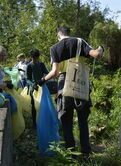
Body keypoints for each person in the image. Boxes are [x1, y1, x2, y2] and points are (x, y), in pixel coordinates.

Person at [38, 25, 104, 156]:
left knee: (67, 122)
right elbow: (96, 55)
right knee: (82, 121)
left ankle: (71, 154)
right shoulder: (79, 41)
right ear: (69, 33)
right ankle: (86, 153)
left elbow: (55, 72)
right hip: (80, 83)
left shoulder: (54, 48)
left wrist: (42, 80)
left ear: (58, 35)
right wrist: (100, 49)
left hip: (64, 86)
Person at [26, 49, 49, 127]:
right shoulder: (29, 66)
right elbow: (27, 79)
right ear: (31, 57)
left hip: (42, 87)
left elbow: (47, 73)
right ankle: (34, 124)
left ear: (38, 57)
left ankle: (44, 121)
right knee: (34, 106)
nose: (35, 60)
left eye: (36, 58)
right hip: (33, 89)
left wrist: (44, 79)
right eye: (33, 58)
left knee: (44, 105)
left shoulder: (41, 64)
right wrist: (33, 85)